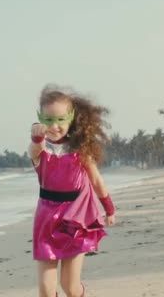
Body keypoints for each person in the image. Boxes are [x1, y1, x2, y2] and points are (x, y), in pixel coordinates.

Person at [28, 84, 116, 297]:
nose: (55, 126)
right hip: (47, 220)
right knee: (47, 290)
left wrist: (108, 208)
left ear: (71, 118)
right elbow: (34, 150)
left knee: (70, 287)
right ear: (40, 118)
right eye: (48, 120)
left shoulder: (80, 149)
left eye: (61, 120)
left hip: (75, 220)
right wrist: (36, 137)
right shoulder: (40, 148)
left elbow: (96, 180)